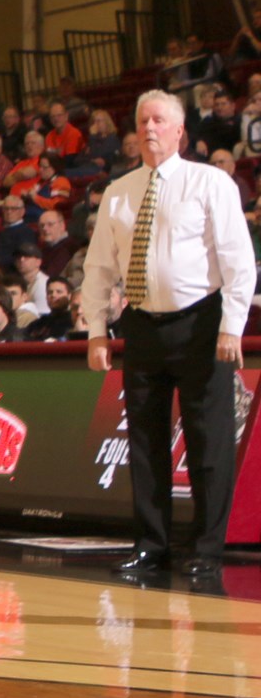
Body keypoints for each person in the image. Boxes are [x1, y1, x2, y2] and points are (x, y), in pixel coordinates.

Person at [84, 89, 255, 582]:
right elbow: (98, 269)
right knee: (144, 441)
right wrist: (98, 330)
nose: (149, 128)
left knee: (208, 441)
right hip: (141, 326)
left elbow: (238, 261)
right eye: (142, 120)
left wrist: (232, 325)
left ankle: (207, 548)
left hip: (202, 323)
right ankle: (151, 545)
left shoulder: (210, 183)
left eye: (159, 120)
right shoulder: (119, 190)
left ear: (180, 131)